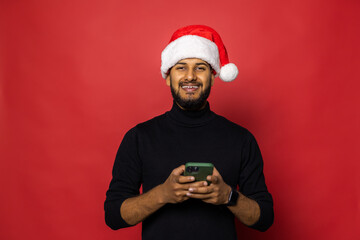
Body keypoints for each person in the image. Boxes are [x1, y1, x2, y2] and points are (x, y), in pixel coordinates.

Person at [104, 25, 274, 240]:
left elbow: (265, 218)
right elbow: (113, 216)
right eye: (181, 67)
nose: (191, 76)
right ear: (168, 76)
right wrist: (162, 194)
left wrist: (228, 196)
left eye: (200, 68)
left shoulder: (241, 139)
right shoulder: (139, 137)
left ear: (213, 77)